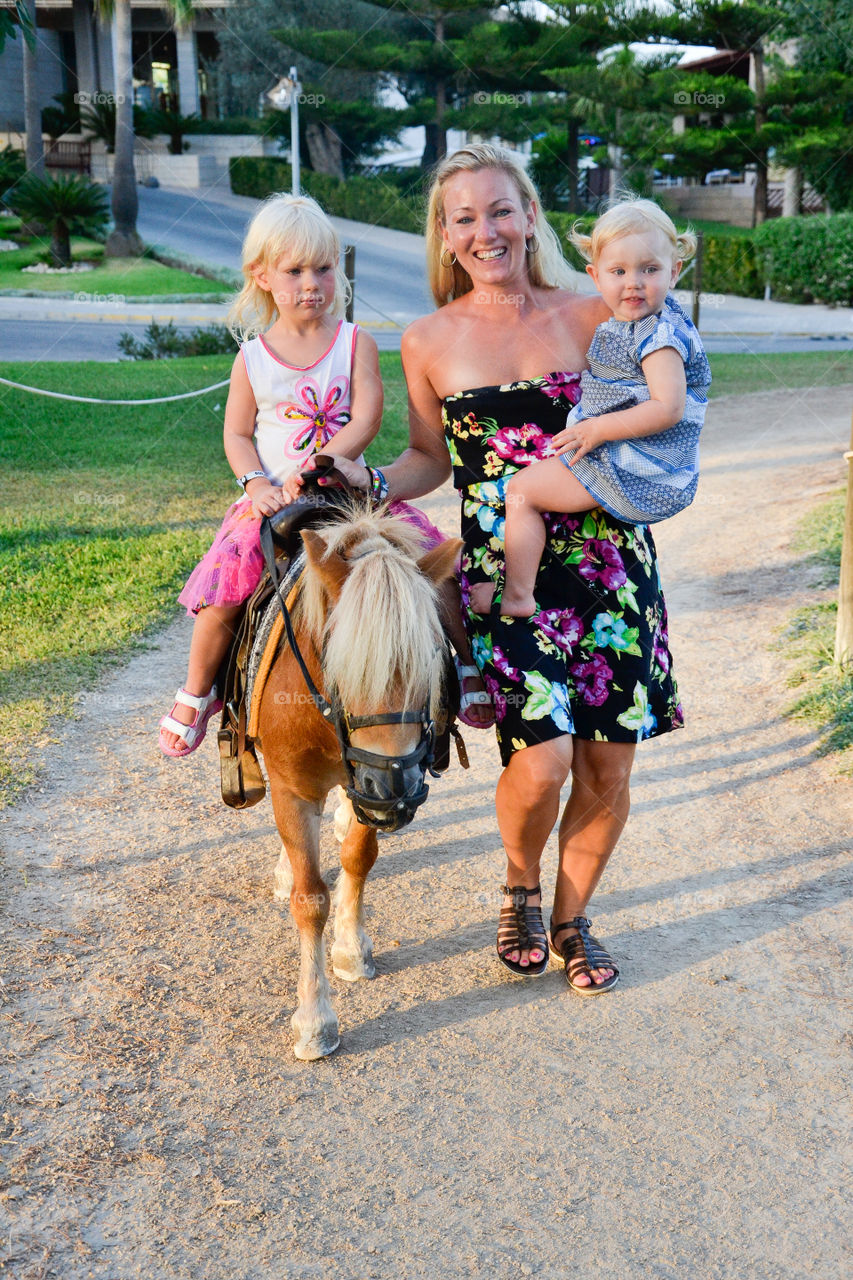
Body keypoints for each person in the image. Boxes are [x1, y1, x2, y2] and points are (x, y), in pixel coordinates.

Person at [311, 145, 684, 993]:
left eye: (500, 210)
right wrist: (366, 480)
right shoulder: (427, 339)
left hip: (610, 567)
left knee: (606, 765)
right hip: (503, 578)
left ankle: (572, 919)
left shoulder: (596, 314)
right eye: (465, 218)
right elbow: (428, 457)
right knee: (543, 761)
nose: (486, 231)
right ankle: (520, 884)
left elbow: (668, 403)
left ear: (530, 216)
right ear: (444, 235)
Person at [159, 193, 490, 758]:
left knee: (430, 568)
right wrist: (257, 485)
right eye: (294, 271)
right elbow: (237, 434)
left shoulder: (354, 343)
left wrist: (326, 463)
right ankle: (199, 690)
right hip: (273, 500)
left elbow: (366, 417)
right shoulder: (252, 358)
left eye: (324, 268)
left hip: (347, 494)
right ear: (261, 275)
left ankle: (464, 664)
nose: (312, 284)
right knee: (224, 588)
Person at [499, 198, 711, 618]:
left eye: (649, 269)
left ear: (674, 272)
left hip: (632, 462)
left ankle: (517, 595)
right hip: (632, 457)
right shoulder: (646, 323)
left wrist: (596, 430)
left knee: (521, 492)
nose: (634, 283)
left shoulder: (659, 337)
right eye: (618, 272)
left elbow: (668, 408)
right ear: (595, 276)